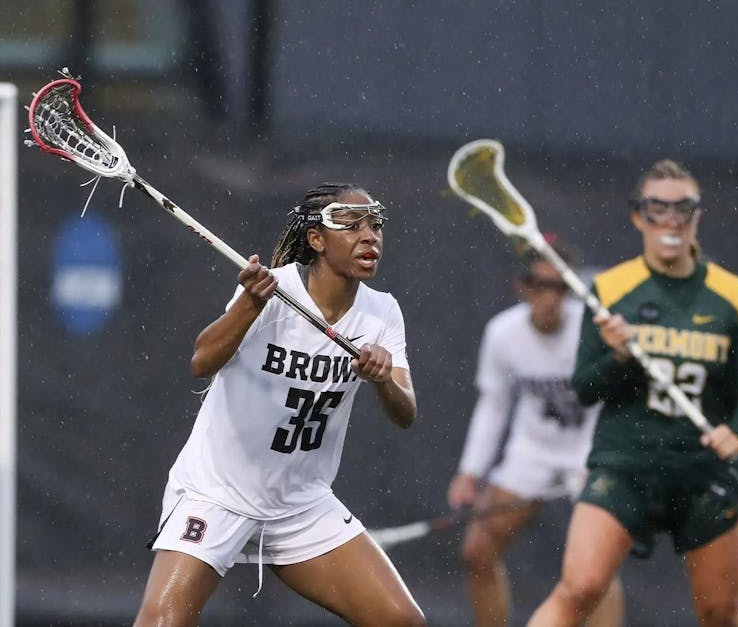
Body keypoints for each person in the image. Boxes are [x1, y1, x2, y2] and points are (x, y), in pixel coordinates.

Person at [134, 183, 425, 627]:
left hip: (300, 503)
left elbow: (406, 413)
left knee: (401, 621)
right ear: (317, 240)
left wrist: (384, 381)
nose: (369, 236)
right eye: (350, 225)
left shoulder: (382, 313)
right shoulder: (274, 290)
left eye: (375, 225)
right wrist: (249, 304)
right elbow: (201, 361)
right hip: (219, 491)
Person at [527, 159, 738, 627]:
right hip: (626, 466)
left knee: (720, 612)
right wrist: (618, 356)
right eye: (658, 208)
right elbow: (584, 388)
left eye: (684, 208)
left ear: (697, 216)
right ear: (638, 216)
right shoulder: (612, 290)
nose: (672, 220)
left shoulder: (734, 297)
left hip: (702, 473)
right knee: (578, 588)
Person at [446, 241, 624, 627]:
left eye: (559, 287)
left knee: (596, 566)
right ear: (521, 286)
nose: (549, 298)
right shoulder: (503, 333)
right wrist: (470, 472)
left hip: (588, 452)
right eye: (539, 285)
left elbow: (622, 400)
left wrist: (605, 461)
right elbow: (494, 406)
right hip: (531, 452)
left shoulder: (595, 329)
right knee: (477, 551)